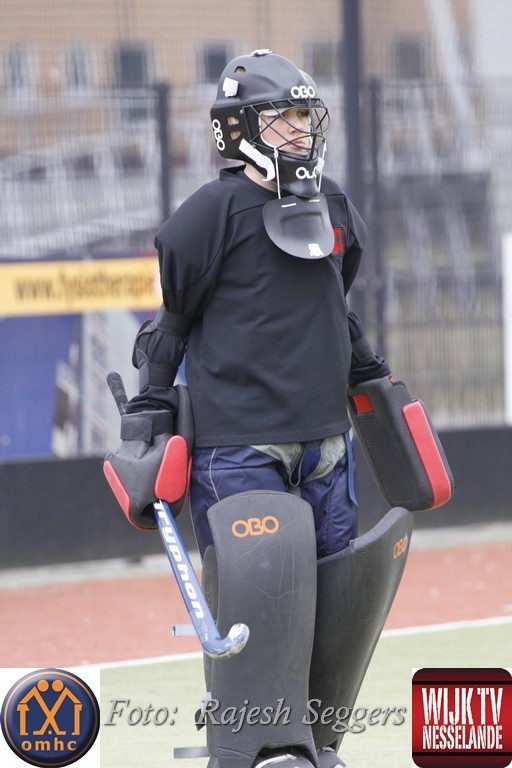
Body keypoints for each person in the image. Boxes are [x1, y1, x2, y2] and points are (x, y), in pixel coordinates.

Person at [108, 50, 394, 768]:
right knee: (259, 604)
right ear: (238, 129)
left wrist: (374, 376)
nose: (301, 129)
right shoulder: (209, 215)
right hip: (238, 447)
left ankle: (313, 747)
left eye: (305, 115)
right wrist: (149, 408)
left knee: (330, 608)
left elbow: (333, 302)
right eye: (284, 116)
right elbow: (174, 321)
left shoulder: (333, 205)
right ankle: (245, 749)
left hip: (327, 441)